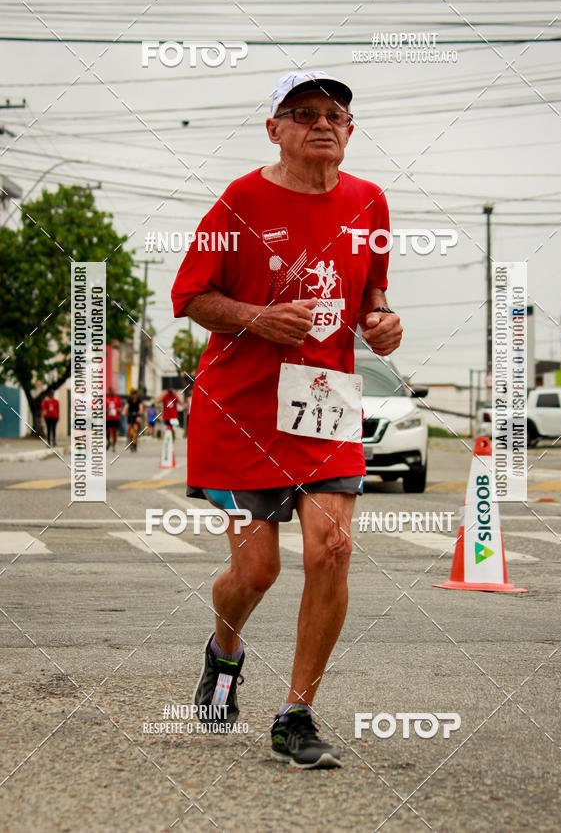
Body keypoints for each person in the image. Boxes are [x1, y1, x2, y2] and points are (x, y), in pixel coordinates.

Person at [171, 70, 402, 769]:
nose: (322, 123)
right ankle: (225, 653)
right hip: (239, 409)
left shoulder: (371, 204)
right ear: (275, 129)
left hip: (324, 403)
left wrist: (381, 322)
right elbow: (189, 295)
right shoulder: (240, 200)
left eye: (335, 113)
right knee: (258, 570)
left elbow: (374, 297)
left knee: (331, 549)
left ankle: (295, 714)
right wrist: (256, 318)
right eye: (302, 113)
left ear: (350, 131)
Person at [106, 386, 122, 450]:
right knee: (108, 431)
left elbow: (120, 407)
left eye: (113, 391)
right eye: (111, 391)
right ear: (109, 391)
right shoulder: (106, 398)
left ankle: (114, 444)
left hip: (115, 418)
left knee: (115, 431)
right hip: (107, 418)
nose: (112, 392)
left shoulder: (117, 398)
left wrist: (118, 410)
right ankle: (109, 441)